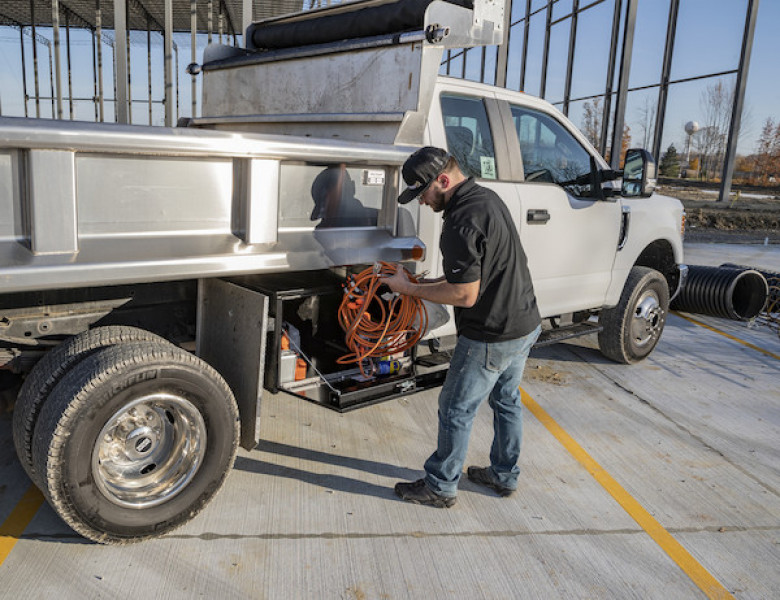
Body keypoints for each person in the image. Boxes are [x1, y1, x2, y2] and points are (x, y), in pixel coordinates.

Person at [384, 146, 541, 508]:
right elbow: (476, 272)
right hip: (523, 321)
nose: (421, 202)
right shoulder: (485, 199)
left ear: (442, 180)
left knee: (455, 407)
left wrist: (406, 288)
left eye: (422, 192)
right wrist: (422, 283)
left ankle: (439, 486)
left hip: (491, 333)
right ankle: (504, 475)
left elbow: (465, 294)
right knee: (506, 400)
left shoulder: (459, 222)